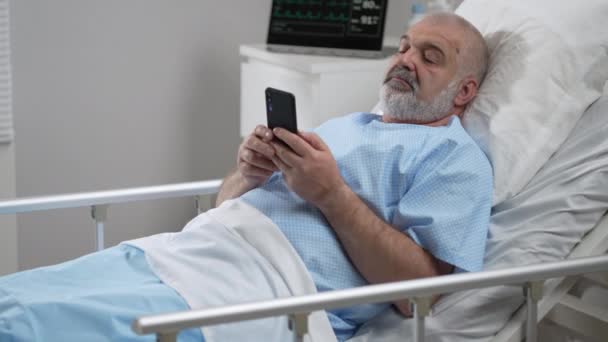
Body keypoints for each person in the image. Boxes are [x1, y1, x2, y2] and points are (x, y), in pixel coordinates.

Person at [0, 13, 491, 342]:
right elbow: (224, 205)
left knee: (28, 326)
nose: (406, 59)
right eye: (404, 48)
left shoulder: (454, 158)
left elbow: (419, 295)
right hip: (187, 251)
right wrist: (248, 173)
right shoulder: (350, 125)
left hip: (262, 290)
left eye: (430, 56)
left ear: (465, 89)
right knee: (13, 299)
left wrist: (333, 195)